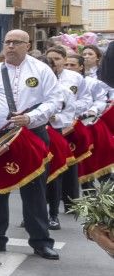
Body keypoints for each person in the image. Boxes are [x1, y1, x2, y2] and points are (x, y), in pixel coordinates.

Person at [0, 30, 60, 260]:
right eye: (7, 42)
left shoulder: (41, 70)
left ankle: (41, 241)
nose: (10, 46)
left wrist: (32, 117)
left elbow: (54, 101)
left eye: (16, 42)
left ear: (27, 45)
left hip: (30, 134)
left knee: (34, 190)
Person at [46, 52, 85, 229]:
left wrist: (53, 118)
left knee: (54, 176)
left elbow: (68, 115)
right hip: (30, 135)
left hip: (54, 135)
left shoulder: (63, 90)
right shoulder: (28, 89)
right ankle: (32, 213)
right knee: (32, 179)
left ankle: (53, 214)